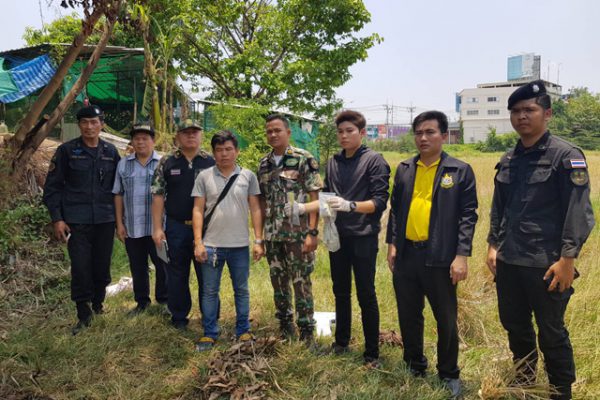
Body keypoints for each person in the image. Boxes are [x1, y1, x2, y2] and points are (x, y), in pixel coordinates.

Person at [487, 80, 594, 400]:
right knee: (515, 325)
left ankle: (560, 391)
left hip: (547, 264)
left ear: (547, 114)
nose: (522, 116)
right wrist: (493, 245)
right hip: (510, 260)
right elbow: (499, 207)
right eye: (516, 111)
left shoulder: (566, 156)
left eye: (529, 110)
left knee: (551, 332)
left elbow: (579, 211)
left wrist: (567, 259)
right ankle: (524, 382)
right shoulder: (509, 159)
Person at [386, 110, 478, 398]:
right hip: (407, 255)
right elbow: (396, 210)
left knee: (446, 318)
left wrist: (461, 255)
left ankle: (449, 373)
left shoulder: (458, 170)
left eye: (430, 132)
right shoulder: (404, 168)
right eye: (418, 133)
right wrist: (392, 244)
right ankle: (414, 364)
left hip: (441, 257)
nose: (423, 138)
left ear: (443, 135)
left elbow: (468, 215)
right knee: (409, 314)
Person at [288, 110, 390, 366]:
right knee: (340, 291)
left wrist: (351, 205)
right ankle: (341, 343)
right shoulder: (333, 162)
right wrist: (303, 208)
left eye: (350, 131)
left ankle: (372, 353)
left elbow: (379, 202)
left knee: (366, 293)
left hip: (363, 236)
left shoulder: (374, 161)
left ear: (362, 133)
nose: (344, 136)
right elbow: (327, 199)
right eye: (340, 132)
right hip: (338, 236)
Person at [43, 105, 120, 335]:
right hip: (76, 221)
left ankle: (97, 305)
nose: (89, 127)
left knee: (102, 268)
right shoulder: (67, 151)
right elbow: (52, 188)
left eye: (94, 122)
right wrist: (57, 219)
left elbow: (120, 188)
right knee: (81, 267)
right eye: (84, 122)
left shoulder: (111, 152)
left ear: (101, 124)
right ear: (79, 125)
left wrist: (121, 220)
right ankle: (83, 314)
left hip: (105, 220)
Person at [191, 130, 264, 350]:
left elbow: (256, 209)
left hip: (239, 245)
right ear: (213, 153)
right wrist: (198, 242)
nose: (224, 154)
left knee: (241, 290)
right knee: (209, 291)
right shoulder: (204, 176)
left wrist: (258, 240)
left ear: (237, 151)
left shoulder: (248, 176)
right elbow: (197, 210)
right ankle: (210, 332)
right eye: (219, 150)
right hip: (211, 245)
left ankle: (243, 330)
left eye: (228, 149)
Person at [257, 114, 322, 343]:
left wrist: (312, 233)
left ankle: (306, 332)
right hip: (273, 236)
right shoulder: (263, 164)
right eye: (269, 131)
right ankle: (285, 327)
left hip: (298, 235)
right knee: (278, 282)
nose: (273, 134)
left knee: (301, 282)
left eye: (277, 130)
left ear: (288, 132)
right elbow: (262, 201)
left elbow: (315, 198)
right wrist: (260, 237)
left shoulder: (303, 159)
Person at [151, 119, 215, 330]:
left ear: (201, 135)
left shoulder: (211, 162)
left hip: (206, 228)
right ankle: (179, 317)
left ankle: (210, 317)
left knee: (207, 274)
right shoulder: (167, 162)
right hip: (176, 226)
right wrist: (157, 228)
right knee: (177, 273)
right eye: (186, 132)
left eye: (195, 132)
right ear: (177, 136)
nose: (191, 136)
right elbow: (157, 195)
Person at [113, 123, 167, 315]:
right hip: (132, 226)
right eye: (137, 138)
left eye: (145, 138)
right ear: (132, 142)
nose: (141, 142)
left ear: (153, 141)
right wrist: (119, 224)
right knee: (138, 266)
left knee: (162, 264)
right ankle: (142, 302)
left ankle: (164, 301)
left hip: (158, 227)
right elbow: (118, 194)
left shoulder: (163, 163)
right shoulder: (123, 164)